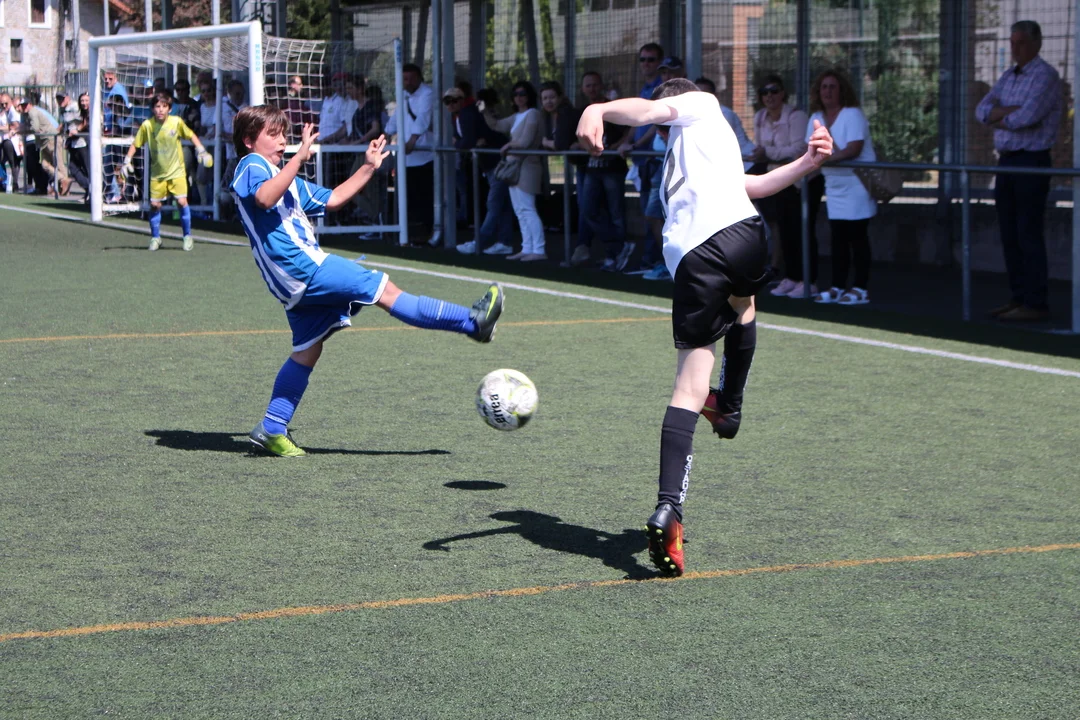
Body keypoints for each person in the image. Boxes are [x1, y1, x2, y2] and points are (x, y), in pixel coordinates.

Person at [576, 77, 833, 576]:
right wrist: (808, 162)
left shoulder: (692, 118)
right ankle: (730, 406)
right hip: (739, 235)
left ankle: (669, 506)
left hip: (692, 258)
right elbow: (747, 189)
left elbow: (653, 115)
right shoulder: (700, 121)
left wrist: (599, 109)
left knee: (688, 386)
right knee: (745, 302)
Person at [228, 105, 504, 457]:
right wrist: (298, 158)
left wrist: (369, 167)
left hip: (291, 281)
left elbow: (333, 199)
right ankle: (472, 323)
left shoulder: (284, 178)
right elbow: (265, 198)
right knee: (386, 291)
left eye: (284, 134)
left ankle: (272, 426)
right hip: (304, 268)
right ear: (249, 141)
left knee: (308, 349)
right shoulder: (251, 165)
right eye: (273, 134)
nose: (283, 141)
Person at [975, 20, 1063, 322]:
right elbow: (981, 111)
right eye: (1013, 43)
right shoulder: (1007, 76)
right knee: (1009, 232)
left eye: (1021, 43)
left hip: (1031, 161)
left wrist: (999, 116)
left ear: (1037, 43)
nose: (1015, 49)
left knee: (1028, 231)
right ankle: (1018, 297)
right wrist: (1004, 113)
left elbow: (1027, 117)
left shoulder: (1046, 76)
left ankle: (1036, 302)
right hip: (1007, 161)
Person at [806, 69, 876, 306]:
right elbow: (811, 150)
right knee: (838, 239)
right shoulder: (816, 117)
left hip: (857, 184)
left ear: (842, 90)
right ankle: (837, 286)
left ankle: (860, 288)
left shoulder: (852, 114)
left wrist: (826, 158)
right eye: (824, 87)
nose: (827, 91)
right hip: (834, 187)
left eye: (832, 87)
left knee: (857, 238)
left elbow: (854, 149)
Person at [749, 75, 817, 299]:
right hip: (779, 179)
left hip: (803, 181)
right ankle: (792, 277)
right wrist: (765, 155)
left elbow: (799, 150)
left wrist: (768, 153)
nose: (769, 96)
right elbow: (762, 148)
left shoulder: (797, 116)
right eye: (765, 92)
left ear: (783, 93)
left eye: (774, 91)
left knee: (802, 230)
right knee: (784, 230)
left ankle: (808, 280)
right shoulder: (760, 116)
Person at [121, 92, 212, 252]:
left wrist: (201, 150)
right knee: (155, 205)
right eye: (157, 106)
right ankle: (156, 237)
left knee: (182, 202)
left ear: (169, 109)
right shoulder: (147, 125)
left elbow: (191, 135)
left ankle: (187, 236)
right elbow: (136, 143)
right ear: (153, 109)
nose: (160, 110)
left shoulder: (176, 122)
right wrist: (127, 160)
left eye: (164, 106)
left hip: (176, 172)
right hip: (158, 174)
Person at [576, 71, 632, 271]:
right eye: (588, 85)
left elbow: (629, 130)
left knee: (616, 213)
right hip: (592, 169)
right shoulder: (583, 111)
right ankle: (619, 247)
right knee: (588, 211)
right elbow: (579, 137)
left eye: (595, 84)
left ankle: (614, 257)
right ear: (583, 89)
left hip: (613, 169)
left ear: (601, 86)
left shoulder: (613, 107)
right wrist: (586, 146)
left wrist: (615, 148)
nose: (592, 88)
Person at [617, 42, 665, 267]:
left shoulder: (661, 89)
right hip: (642, 162)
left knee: (655, 214)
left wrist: (637, 145)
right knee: (649, 214)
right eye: (643, 59)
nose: (646, 64)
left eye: (651, 59)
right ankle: (651, 260)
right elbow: (636, 121)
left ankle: (658, 261)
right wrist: (627, 142)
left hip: (655, 160)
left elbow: (657, 123)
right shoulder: (645, 90)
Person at [488, 81, 547, 261]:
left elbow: (525, 141)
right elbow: (496, 125)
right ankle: (526, 247)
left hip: (528, 166)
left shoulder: (533, 114)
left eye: (522, 94)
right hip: (514, 168)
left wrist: (509, 145)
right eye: (515, 94)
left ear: (529, 96)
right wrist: (484, 110)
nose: (519, 97)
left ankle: (539, 249)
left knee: (528, 208)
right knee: (519, 210)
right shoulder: (516, 116)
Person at [457, 87, 515, 256]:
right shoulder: (480, 113)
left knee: (495, 204)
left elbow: (472, 139)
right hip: (495, 164)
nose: (451, 104)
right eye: (448, 101)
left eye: (455, 100)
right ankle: (504, 241)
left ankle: (480, 242)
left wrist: (459, 143)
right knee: (503, 204)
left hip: (498, 164)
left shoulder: (473, 113)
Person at [384, 64, 436, 245]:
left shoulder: (428, 94)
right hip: (405, 157)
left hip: (425, 155)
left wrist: (413, 140)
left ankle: (426, 233)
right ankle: (409, 232)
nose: (408, 82)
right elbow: (395, 118)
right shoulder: (404, 95)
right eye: (405, 79)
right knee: (408, 196)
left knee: (424, 196)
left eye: (411, 78)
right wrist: (386, 135)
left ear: (420, 78)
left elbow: (423, 118)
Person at [537, 80, 577, 233]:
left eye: (552, 97)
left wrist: (546, 142)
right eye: (545, 98)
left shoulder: (565, 113)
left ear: (560, 97)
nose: (549, 101)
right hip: (575, 161)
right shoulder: (547, 117)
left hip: (586, 161)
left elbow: (561, 144)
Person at [17, 96, 66, 196]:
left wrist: (24, 130)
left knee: (58, 164)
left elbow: (35, 128)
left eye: (25, 105)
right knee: (45, 164)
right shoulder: (28, 113)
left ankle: (64, 187)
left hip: (51, 139)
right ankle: (63, 180)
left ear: (30, 104)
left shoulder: (32, 112)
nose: (24, 107)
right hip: (44, 141)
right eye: (22, 105)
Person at [60, 91, 91, 201]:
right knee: (73, 168)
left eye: (86, 100)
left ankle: (92, 191)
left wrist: (77, 130)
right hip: (75, 143)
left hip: (84, 143)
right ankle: (89, 189)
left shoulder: (90, 111)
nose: (84, 103)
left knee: (88, 170)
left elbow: (85, 123)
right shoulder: (81, 111)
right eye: (82, 100)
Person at [0, 94, 23, 193]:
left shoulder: (13, 112)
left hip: (13, 141)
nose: (4, 106)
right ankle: (6, 183)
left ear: (10, 101)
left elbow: (15, 126)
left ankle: (14, 184)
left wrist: (5, 128)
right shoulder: (7, 112)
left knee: (13, 162)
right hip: (7, 140)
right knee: (5, 161)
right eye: (2, 104)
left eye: (6, 103)